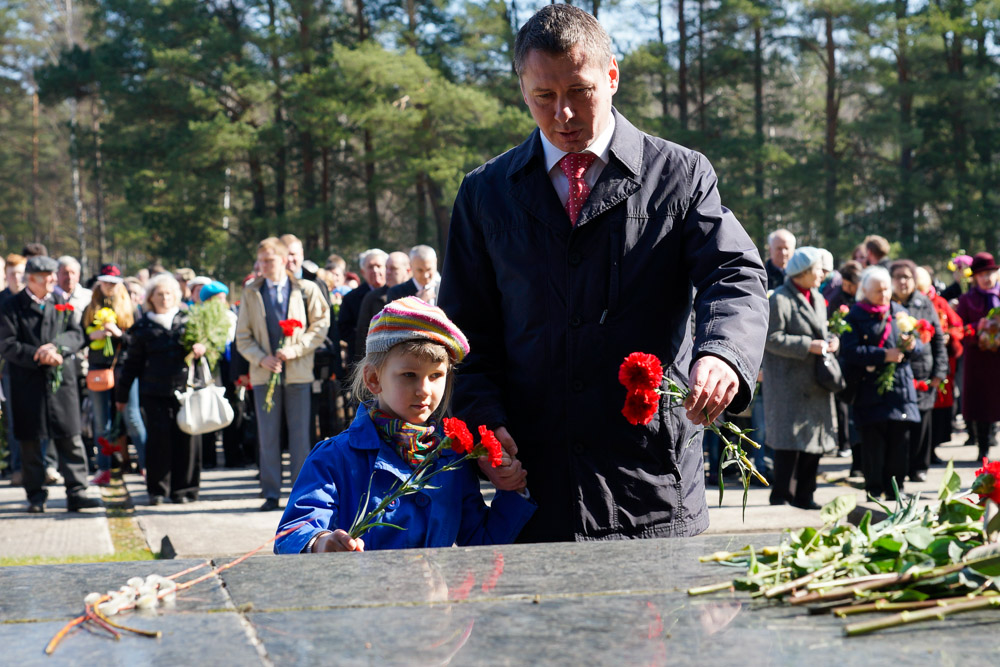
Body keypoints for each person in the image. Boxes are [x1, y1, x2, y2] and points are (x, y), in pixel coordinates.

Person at [438, 5, 769, 542]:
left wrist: (723, 354)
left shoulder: (680, 175)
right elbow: (466, 330)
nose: (563, 114)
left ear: (612, 76)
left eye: (580, 90)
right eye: (544, 97)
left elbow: (734, 273)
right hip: (533, 480)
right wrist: (482, 422)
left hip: (651, 479)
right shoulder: (484, 194)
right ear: (521, 88)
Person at [274, 297, 535, 553]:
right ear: (374, 379)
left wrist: (512, 491)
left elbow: (481, 539)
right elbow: (293, 531)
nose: (424, 390)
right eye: (409, 375)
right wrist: (321, 542)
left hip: (434, 595)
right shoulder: (335, 456)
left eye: (436, 376)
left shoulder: (451, 458)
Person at [236, 237, 330, 511]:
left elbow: (321, 325)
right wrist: (261, 358)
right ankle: (270, 492)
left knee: (300, 437)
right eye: (261, 261)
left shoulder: (305, 288)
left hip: (298, 373)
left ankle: (301, 494)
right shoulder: (251, 292)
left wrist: (296, 349)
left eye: (270, 260)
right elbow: (242, 336)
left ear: (283, 259)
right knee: (268, 435)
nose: (264, 266)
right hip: (265, 374)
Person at [0, 256, 100, 513]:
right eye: (48, 276)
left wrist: (57, 348)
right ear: (32, 279)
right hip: (27, 382)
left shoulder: (60, 302)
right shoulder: (11, 307)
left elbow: (77, 334)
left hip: (60, 381)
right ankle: (35, 496)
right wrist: (38, 353)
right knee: (31, 441)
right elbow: (7, 344)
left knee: (70, 437)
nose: (54, 280)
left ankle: (76, 492)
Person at [116, 274, 206, 505]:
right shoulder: (143, 326)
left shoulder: (188, 321)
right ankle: (157, 490)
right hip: (153, 393)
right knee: (158, 442)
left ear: (176, 296)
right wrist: (122, 394)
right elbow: (131, 364)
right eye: (159, 294)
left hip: (185, 391)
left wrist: (202, 348)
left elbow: (211, 350)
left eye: (169, 294)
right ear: (151, 298)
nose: (165, 298)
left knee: (187, 441)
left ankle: (184, 490)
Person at [762, 248, 838, 509]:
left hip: (815, 382)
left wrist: (829, 342)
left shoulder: (817, 297)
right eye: (818, 270)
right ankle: (782, 496)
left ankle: (806, 495)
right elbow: (771, 339)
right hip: (789, 384)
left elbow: (820, 331)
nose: (822, 274)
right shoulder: (780, 299)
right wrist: (808, 345)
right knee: (789, 444)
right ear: (803, 273)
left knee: (813, 442)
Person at [839, 266, 921, 499]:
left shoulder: (900, 313)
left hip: (899, 391)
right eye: (878, 291)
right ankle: (874, 490)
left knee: (899, 445)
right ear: (864, 290)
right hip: (869, 393)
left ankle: (897, 489)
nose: (884, 295)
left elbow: (921, 346)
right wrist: (883, 355)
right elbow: (850, 351)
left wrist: (913, 346)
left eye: (886, 289)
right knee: (873, 447)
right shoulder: (855, 316)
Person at [889, 260, 947, 482]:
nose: (903, 282)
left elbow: (938, 340)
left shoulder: (924, 303)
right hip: (897, 372)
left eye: (907, 277)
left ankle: (919, 467)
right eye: (898, 277)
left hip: (923, 371)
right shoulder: (887, 303)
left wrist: (939, 371)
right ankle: (899, 469)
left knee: (922, 422)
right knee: (900, 425)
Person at [82, 264, 137, 485]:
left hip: (123, 369)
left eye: (113, 282)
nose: (109, 286)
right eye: (105, 282)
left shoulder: (130, 308)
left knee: (131, 418)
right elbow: (80, 336)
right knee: (101, 422)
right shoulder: (91, 306)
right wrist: (92, 335)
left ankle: (145, 465)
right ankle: (103, 468)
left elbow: (135, 343)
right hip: (98, 370)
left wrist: (117, 334)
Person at [955, 252, 1000, 459]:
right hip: (979, 360)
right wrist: (977, 327)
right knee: (982, 404)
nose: (987, 278)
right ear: (974, 277)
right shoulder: (967, 300)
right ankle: (983, 449)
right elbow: (959, 329)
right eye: (982, 274)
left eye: (990, 273)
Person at [916, 266, 964, 458]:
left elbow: (957, 326)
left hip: (941, 363)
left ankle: (932, 448)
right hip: (919, 364)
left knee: (939, 409)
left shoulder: (940, 302)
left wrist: (948, 336)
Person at [355, 251, 412, 359]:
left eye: (393, 268)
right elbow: (362, 336)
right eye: (387, 268)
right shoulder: (372, 297)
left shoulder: (417, 295)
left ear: (408, 271)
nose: (388, 272)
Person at [337, 249, 387, 367]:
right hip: (363, 358)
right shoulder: (351, 298)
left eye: (379, 266)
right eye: (370, 267)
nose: (375, 270)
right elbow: (344, 329)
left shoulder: (396, 293)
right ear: (362, 272)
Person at [55, 256, 93, 322]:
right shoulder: (48, 296)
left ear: (78, 275)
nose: (70, 277)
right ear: (57, 274)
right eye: (65, 273)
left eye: (73, 273)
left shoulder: (89, 297)